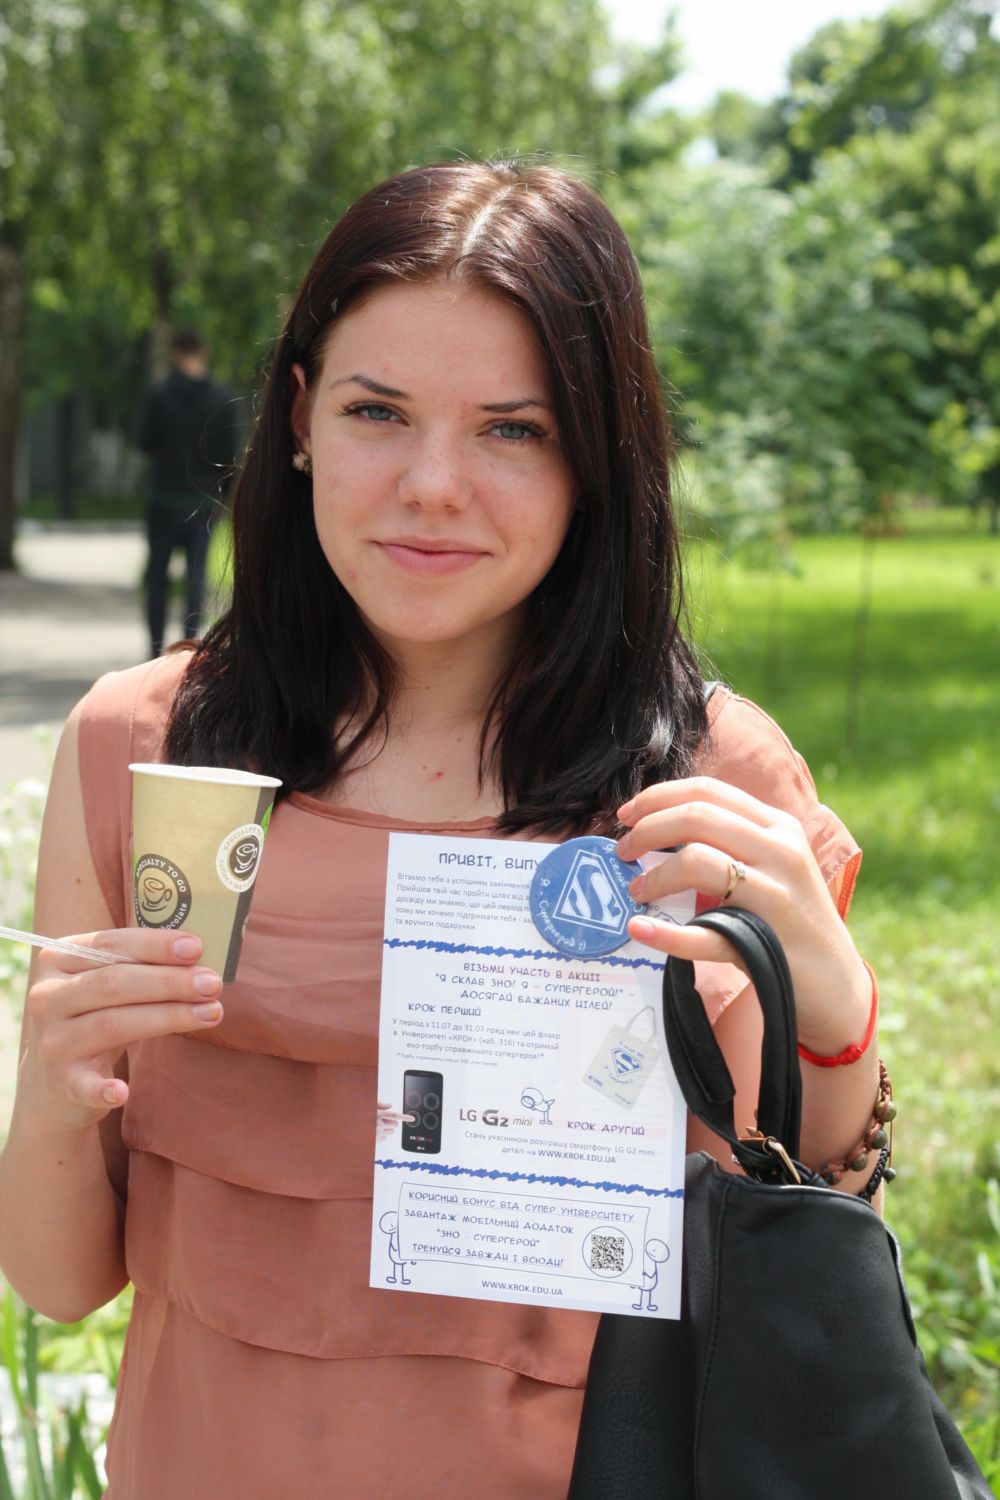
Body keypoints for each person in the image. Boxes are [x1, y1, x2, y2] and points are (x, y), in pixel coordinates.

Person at [0, 162, 880, 1498]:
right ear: (301, 419)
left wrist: (837, 1014)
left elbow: (815, 1270)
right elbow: (59, 1282)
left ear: (596, 457)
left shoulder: (713, 783)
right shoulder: (144, 750)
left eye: (512, 431)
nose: (431, 486)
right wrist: (57, 1082)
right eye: (377, 412)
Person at [137, 329, 239, 657]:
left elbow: (146, 442)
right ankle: (186, 651)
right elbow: (230, 456)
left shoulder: (159, 394)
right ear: (204, 353)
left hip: (164, 498)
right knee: (196, 576)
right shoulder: (221, 399)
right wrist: (223, 497)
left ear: (175, 353)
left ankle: (154, 649)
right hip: (202, 500)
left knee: (158, 576)